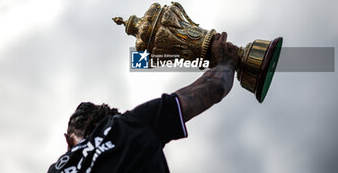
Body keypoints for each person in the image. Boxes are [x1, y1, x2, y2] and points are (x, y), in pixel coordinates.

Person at [48, 32, 238, 173]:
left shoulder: (55, 170)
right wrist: (226, 63)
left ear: (69, 141)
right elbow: (215, 86)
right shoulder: (129, 125)